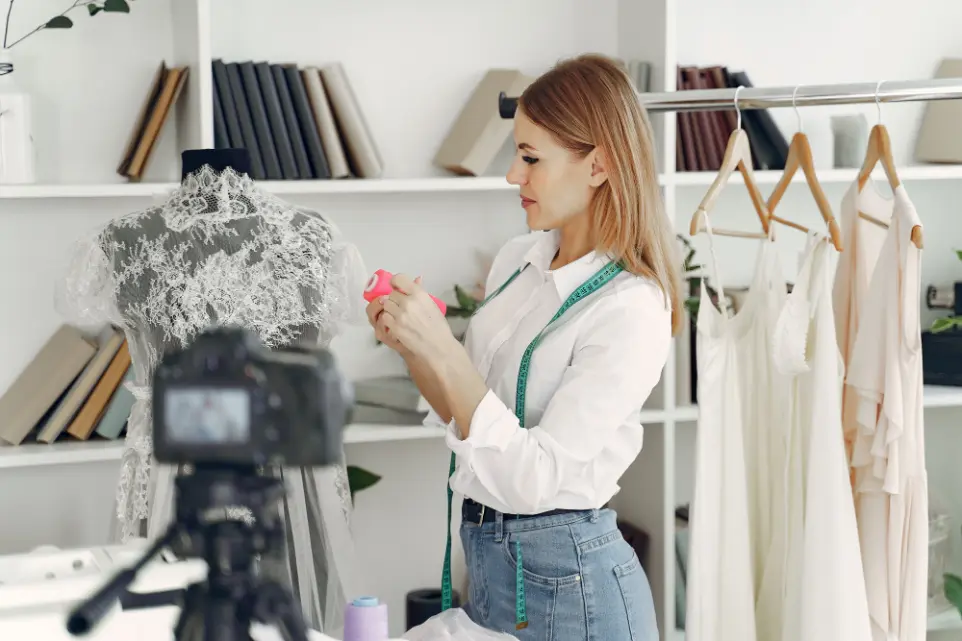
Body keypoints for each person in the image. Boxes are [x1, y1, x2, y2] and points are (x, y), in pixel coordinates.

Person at [365, 53, 682, 640]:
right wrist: (415, 345)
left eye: (531, 158)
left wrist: (444, 350)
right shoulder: (518, 260)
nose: (513, 175)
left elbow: (535, 478)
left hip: (574, 592)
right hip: (491, 565)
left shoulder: (632, 307)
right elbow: (466, 412)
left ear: (600, 164)